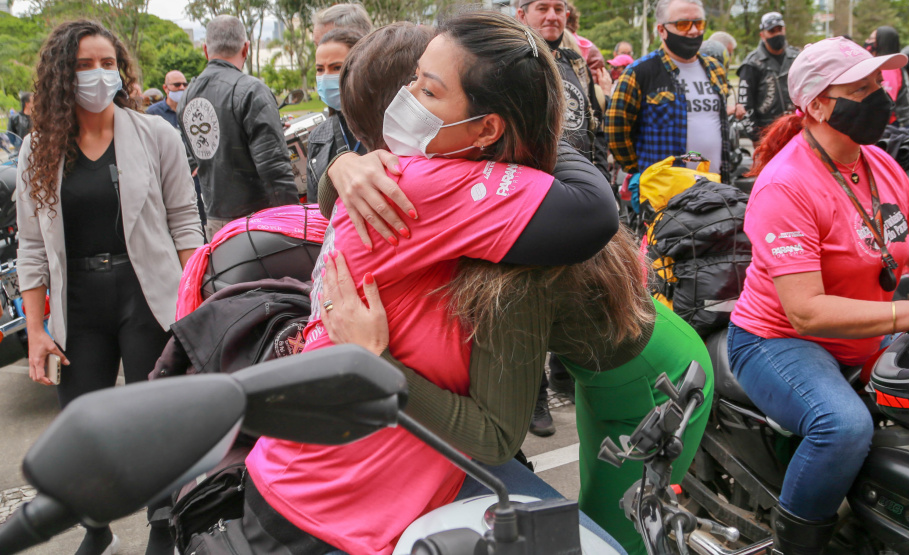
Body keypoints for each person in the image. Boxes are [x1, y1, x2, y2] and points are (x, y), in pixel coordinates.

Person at [243, 12, 622, 555]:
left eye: (429, 90)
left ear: (486, 126)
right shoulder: (423, 180)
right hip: (327, 514)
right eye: (414, 81)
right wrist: (531, 122)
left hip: (306, 482)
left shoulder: (389, 172)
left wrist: (343, 166)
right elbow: (592, 210)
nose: (410, 99)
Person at [16, 19, 203, 555]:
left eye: (106, 63)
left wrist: (194, 299)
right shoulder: (39, 149)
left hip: (146, 292)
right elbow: (31, 248)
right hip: (77, 300)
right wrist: (35, 329)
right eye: (82, 65)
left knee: (154, 419)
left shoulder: (155, 135)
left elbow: (185, 224)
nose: (98, 75)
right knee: (85, 425)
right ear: (59, 75)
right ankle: (96, 527)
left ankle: (163, 522)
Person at [728, 37, 909, 555]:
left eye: (879, 84)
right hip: (778, 339)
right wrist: (907, 314)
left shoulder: (881, 164)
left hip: (867, 333)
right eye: (861, 88)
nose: (880, 97)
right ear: (816, 105)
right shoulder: (785, 184)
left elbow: (906, 243)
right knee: (844, 427)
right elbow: (805, 310)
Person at [516, 0, 614, 435]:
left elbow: (590, 124)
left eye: (559, 7)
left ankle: (562, 373)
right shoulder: (512, 55)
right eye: (542, 7)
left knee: (574, 288)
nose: (553, 15)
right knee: (527, 295)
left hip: (578, 189)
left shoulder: (576, 57)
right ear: (522, 14)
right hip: (530, 195)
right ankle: (533, 394)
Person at [178, 15, 298, 239]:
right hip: (256, 223)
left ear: (205, 50)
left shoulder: (186, 97)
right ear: (246, 49)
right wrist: (295, 225)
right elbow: (274, 169)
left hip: (214, 221)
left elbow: (194, 157)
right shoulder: (251, 90)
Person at [608, 0, 729, 184]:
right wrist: (643, 172)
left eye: (699, 23)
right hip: (664, 194)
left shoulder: (715, 69)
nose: (694, 31)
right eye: (683, 24)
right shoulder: (639, 73)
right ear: (662, 30)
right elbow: (616, 132)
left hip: (716, 188)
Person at [305, 28, 369, 203]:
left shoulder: (387, 129)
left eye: (336, 67)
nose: (326, 77)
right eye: (320, 69)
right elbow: (314, 210)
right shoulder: (317, 137)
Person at [147, 70, 207, 229]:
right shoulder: (152, 115)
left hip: (195, 176)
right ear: (165, 88)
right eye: (177, 85)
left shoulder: (194, 110)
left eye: (184, 84)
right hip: (168, 177)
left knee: (199, 222)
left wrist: (201, 163)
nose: (182, 88)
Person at [736, 12, 799, 144]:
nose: (777, 34)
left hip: (796, 131)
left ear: (784, 29)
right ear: (762, 35)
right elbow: (744, 106)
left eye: (779, 29)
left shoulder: (796, 57)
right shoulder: (752, 64)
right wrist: (757, 138)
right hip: (766, 135)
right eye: (771, 31)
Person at [867, 26, 909, 128]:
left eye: (871, 39)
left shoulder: (889, 68)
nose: (867, 41)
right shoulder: (881, 65)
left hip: (893, 127)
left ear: (882, 42)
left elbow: (884, 103)